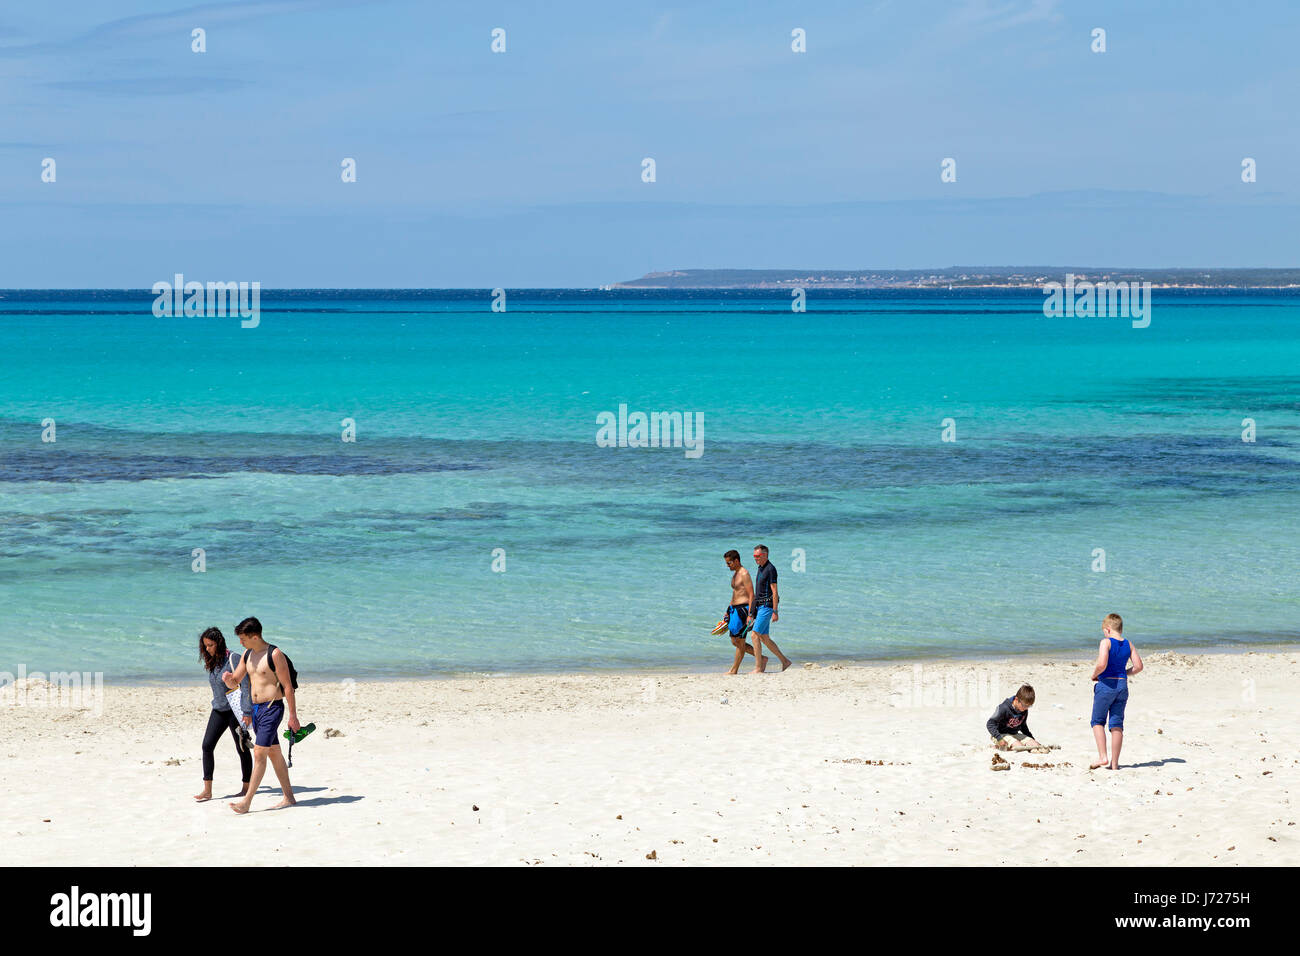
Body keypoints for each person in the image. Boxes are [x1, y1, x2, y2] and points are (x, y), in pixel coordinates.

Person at [221, 617, 301, 812]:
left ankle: (246, 802)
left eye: (243, 639)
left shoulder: (275, 655)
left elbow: (288, 687)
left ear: (255, 637)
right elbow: (236, 681)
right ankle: (289, 797)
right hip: (257, 710)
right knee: (274, 753)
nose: (241, 643)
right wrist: (228, 680)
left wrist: (293, 716)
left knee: (259, 753)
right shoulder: (247, 655)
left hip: (273, 708)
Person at [195, 627, 252, 802]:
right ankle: (207, 790)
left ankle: (246, 787)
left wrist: (247, 711)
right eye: (205, 646)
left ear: (218, 643)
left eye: (210, 645)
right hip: (219, 709)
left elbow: (247, 685)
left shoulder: (233, 658)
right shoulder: (213, 661)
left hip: (235, 710)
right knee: (207, 746)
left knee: (242, 748)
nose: (207, 649)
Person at [1090, 612, 1143, 770]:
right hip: (1122, 685)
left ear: (1107, 629)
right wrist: (1124, 673)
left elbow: (1102, 664)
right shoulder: (1129, 643)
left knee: (1097, 721)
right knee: (1117, 725)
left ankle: (1103, 757)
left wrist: (1094, 675)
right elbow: (1139, 666)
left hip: (1106, 685)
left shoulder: (1106, 642)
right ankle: (1115, 763)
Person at [747, 544, 791, 672]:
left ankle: (758, 667)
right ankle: (785, 661)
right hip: (760, 607)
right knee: (764, 638)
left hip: (767, 607)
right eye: (754, 556)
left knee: (754, 635)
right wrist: (752, 612)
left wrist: (775, 611)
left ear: (765, 555)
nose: (755, 559)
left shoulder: (771, 569)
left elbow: (775, 591)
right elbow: (757, 592)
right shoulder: (760, 568)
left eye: (758, 556)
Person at [722, 550, 759, 674]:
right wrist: (728, 610)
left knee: (740, 641)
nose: (728, 565)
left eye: (729, 563)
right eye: (727, 563)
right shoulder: (736, 573)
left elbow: (751, 595)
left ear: (736, 560)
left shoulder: (744, 574)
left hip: (743, 610)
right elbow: (736, 593)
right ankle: (761, 658)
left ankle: (734, 670)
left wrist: (750, 614)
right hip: (734, 610)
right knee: (735, 640)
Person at [986, 684, 1042, 751]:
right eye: (1024, 705)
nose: (1026, 708)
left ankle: (1010, 745)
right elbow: (990, 723)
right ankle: (997, 747)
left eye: (1029, 706)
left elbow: (1023, 726)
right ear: (1016, 699)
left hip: (1014, 734)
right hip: (1000, 735)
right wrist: (999, 738)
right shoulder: (1003, 708)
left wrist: (1031, 739)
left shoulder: (1024, 710)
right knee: (1020, 748)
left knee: (1036, 746)